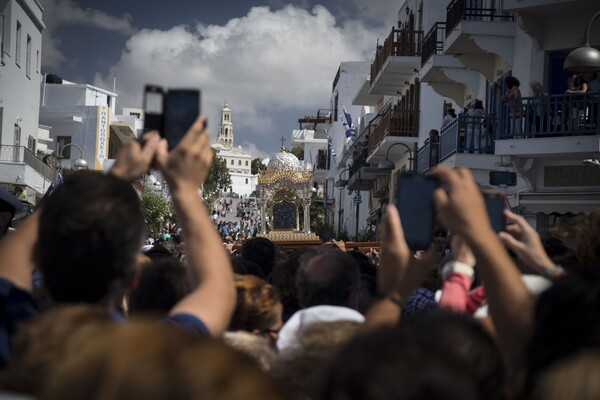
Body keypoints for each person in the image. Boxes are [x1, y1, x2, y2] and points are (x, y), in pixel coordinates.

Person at [0, 117, 236, 366]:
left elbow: (10, 257)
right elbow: (218, 289)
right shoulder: (149, 355)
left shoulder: (13, 329)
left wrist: (117, 174)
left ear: (43, 260)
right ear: (133, 277)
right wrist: (185, 189)